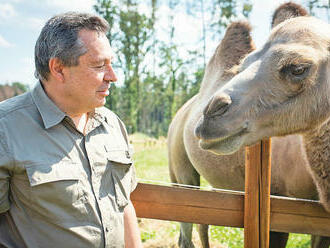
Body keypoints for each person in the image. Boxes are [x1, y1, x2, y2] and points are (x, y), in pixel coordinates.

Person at [0, 12, 142, 248]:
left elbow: (124, 205)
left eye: (111, 63)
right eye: (99, 65)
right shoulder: (6, 128)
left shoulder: (113, 124)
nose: (113, 76)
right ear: (58, 68)